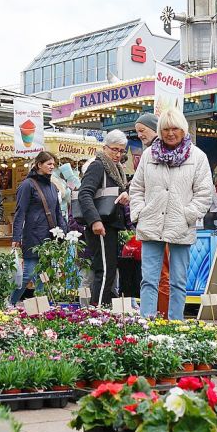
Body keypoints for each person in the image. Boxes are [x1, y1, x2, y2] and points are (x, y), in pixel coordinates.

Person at [130, 107, 213, 320]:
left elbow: (204, 193)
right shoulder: (148, 155)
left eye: (175, 128)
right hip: (151, 223)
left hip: (180, 225)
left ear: (183, 129)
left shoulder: (198, 157)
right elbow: (137, 188)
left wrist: (189, 214)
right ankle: (146, 321)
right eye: (165, 129)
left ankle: (176, 323)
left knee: (178, 280)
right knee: (148, 279)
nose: (170, 133)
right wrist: (139, 212)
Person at [79, 130, 130, 306]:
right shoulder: (98, 165)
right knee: (105, 270)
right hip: (101, 224)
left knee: (108, 271)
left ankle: (102, 308)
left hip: (109, 224)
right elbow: (84, 193)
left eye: (122, 151)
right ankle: (98, 310)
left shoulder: (114, 168)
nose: (118, 154)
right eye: (114, 149)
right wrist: (95, 220)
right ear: (104, 148)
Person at [10, 151, 65, 305]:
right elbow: (20, 212)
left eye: (53, 164)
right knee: (27, 274)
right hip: (32, 236)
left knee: (44, 276)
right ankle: (10, 302)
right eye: (49, 164)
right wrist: (16, 237)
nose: (52, 167)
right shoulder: (27, 185)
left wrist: (63, 232)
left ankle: (40, 308)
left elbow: (57, 213)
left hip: (49, 238)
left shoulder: (53, 187)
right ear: (39, 165)